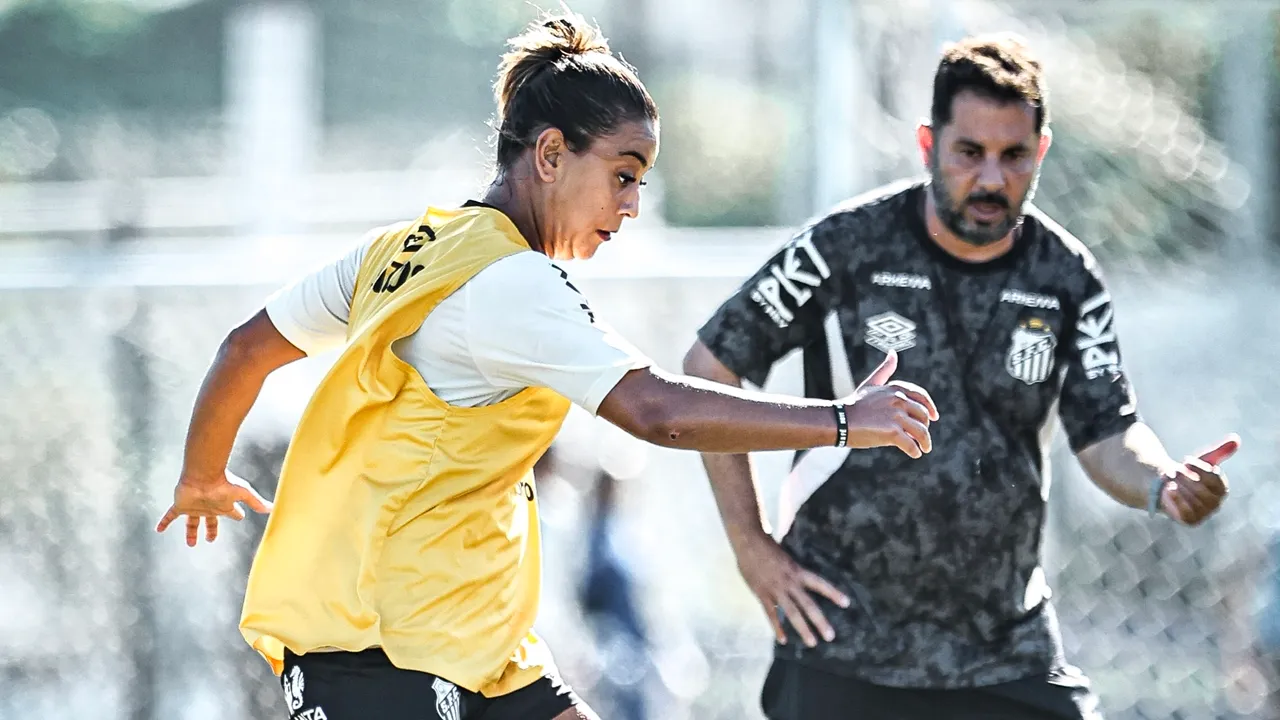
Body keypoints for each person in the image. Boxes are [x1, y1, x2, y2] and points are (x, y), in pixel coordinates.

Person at [153, 10, 939, 720]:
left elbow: (245, 348)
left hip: (478, 651)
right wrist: (843, 420)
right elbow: (656, 412)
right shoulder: (512, 283)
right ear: (552, 154)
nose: (632, 204)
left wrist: (202, 475)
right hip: (383, 651)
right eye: (623, 174)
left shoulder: (404, 249)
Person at [683, 33, 1238, 720]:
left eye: (1014, 156)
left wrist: (1162, 482)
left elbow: (1108, 432)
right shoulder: (845, 247)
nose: (992, 180)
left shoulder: (1065, 276)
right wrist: (750, 545)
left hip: (1004, 647)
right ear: (928, 145)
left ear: (1041, 150)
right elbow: (709, 366)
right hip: (841, 639)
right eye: (969, 153)